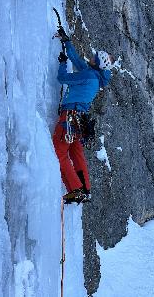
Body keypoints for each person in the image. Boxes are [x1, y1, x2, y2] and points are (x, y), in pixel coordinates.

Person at [53, 28, 113, 204]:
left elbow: (62, 78)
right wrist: (67, 42)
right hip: (79, 119)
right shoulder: (95, 77)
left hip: (70, 116)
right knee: (75, 151)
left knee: (60, 151)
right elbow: (79, 61)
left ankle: (76, 191)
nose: (91, 57)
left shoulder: (88, 75)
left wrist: (62, 63)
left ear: (98, 63)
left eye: (95, 58)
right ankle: (85, 188)